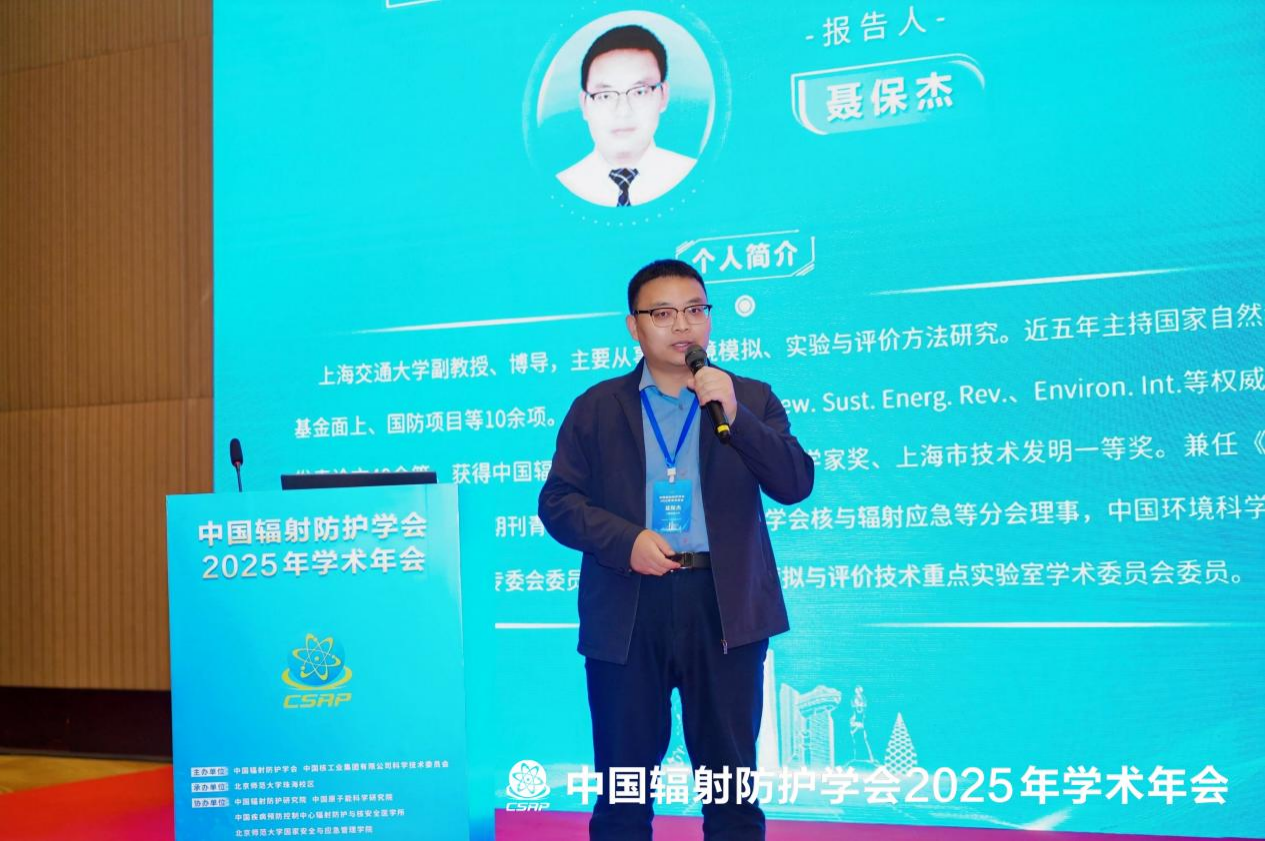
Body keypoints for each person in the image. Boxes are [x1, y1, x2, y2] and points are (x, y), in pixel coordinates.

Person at [538, 259, 814, 839]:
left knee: (730, 789)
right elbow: (557, 503)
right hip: (628, 606)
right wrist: (626, 541)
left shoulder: (749, 397)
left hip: (724, 608)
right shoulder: (597, 407)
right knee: (624, 790)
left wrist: (736, 417)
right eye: (663, 313)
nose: (683, 325)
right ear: (634, 326)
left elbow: (795, 484)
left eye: (695, 310)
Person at [556, 25, 698, 207]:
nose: (623, 112)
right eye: (605, 96)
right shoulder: (563, 186)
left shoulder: (695, 177)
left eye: (639, 92)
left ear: (664, 95)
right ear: (584, 104)